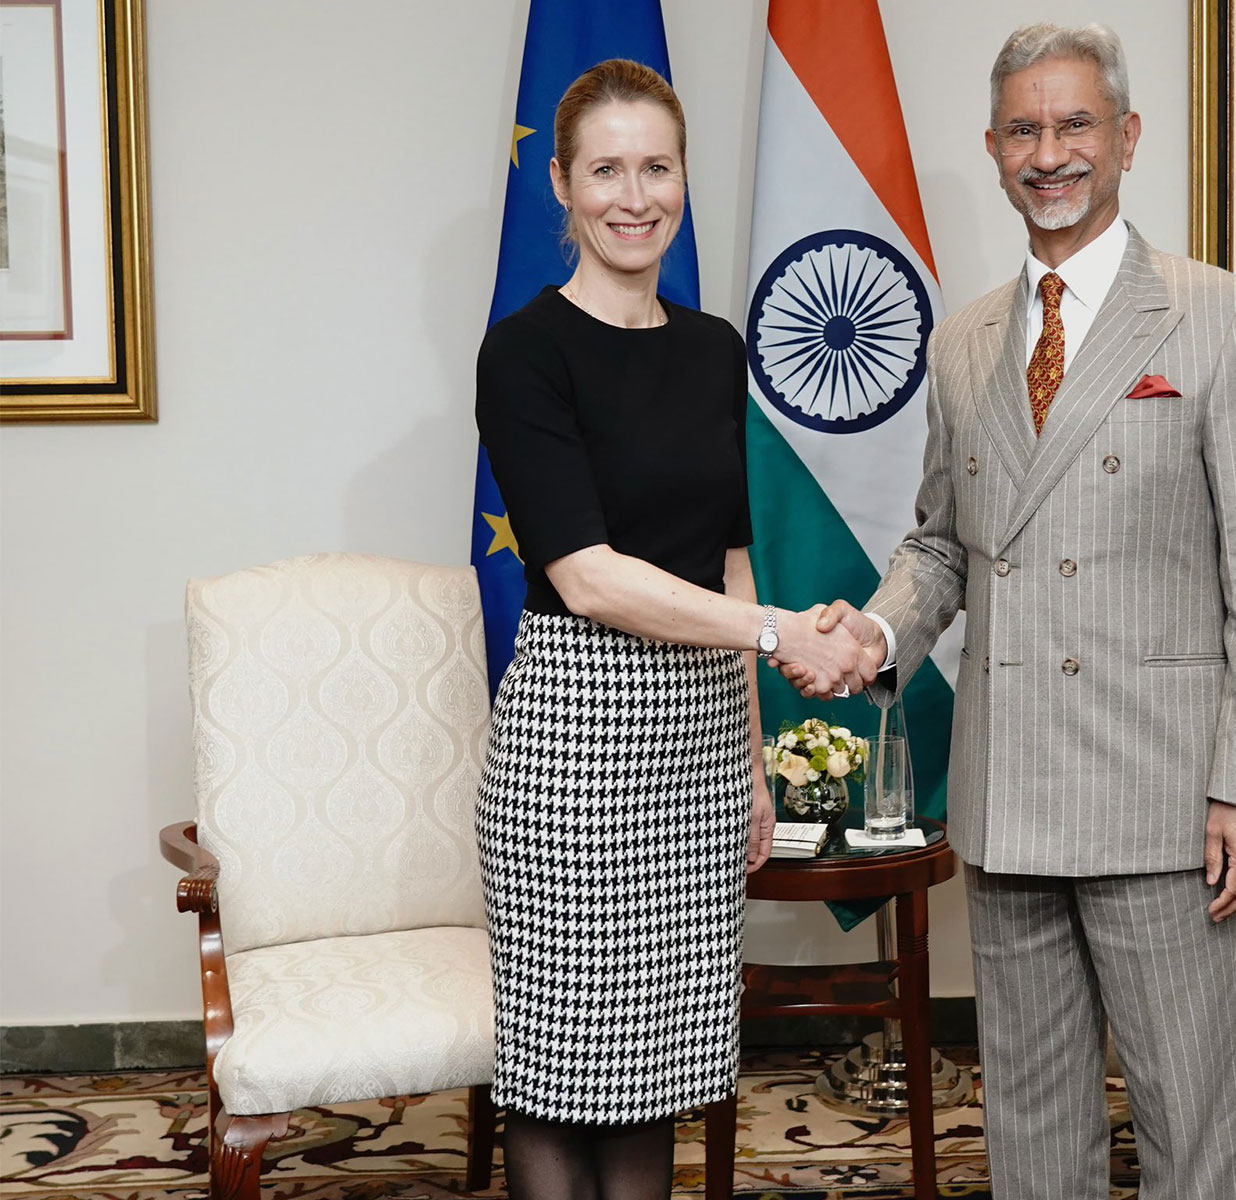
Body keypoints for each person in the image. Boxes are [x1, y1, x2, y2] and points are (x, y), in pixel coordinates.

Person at [800, 23, 1236, 1200]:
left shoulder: (1215, 315)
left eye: (1074, 125)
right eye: (1023, 129)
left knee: (1190, 1123)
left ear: (1125, 139)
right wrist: (877, 630)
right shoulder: (964, 338)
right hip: (1011, 788)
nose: (1049, 153)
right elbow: (941, 540)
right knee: (1030, 1122)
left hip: (1165, 795)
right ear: (991, 148)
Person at [473, 59, 866, 1200]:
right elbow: (588, 577)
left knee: (650, 1074)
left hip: (696, 757)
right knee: (559, 1081)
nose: (633, 196)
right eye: (606, 169)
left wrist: (747, 763)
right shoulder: (525, 350)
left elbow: (728, 555)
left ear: (683, 176)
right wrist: (782, 628)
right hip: (573, 748)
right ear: (560, 184)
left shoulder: (712, 349)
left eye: (656, 166)